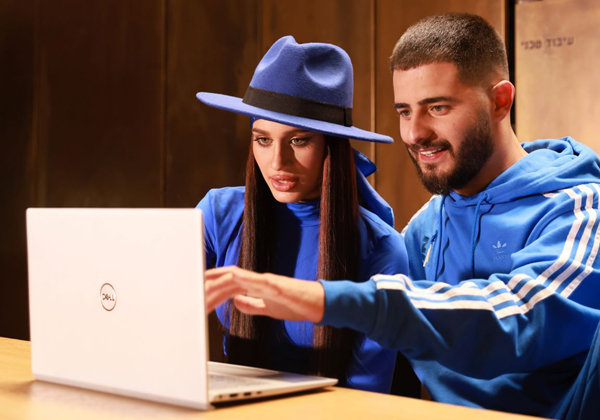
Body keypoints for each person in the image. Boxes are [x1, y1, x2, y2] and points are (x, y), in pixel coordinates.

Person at [205, 13, 600, 420]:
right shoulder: (425, 228)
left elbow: (517, 319)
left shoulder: (580, 209)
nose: (414, 133)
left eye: (437, 107)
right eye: (405, 111)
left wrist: (322, 298)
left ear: (499, 101)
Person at [195, 35, 409, 393]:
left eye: (298, 140)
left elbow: (365, 397)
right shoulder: (219, 214)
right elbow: (157, 311)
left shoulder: (381, 248)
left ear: (330, 145)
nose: (277, 162)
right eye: (263, 140)